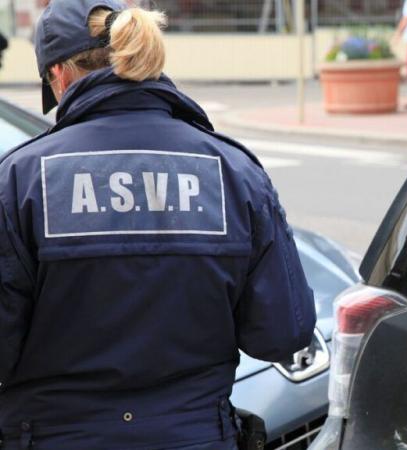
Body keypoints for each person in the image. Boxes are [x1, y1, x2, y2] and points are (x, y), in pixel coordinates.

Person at [0, 1, 316, 449]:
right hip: (196, 436)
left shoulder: (18, 180)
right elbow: (285, 332)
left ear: (59, 74)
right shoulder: (232, 170)